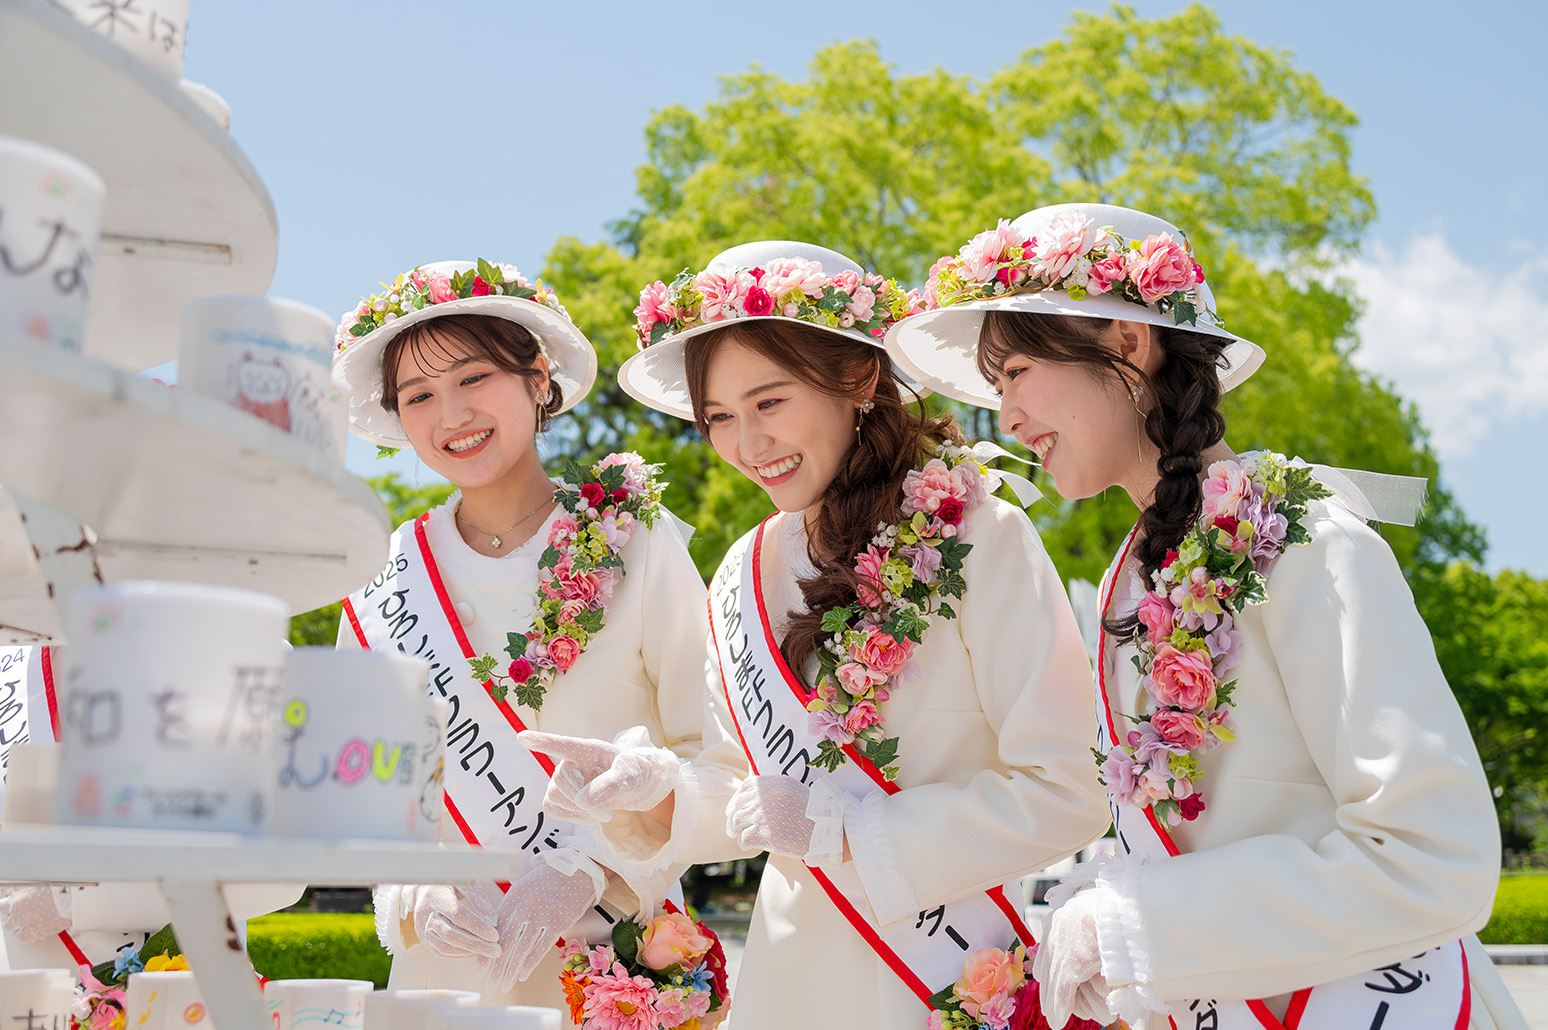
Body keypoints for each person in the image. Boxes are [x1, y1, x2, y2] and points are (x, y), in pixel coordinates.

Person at [887, 203, 1526, 1029]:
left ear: (1128, 343)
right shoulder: (1128, 581)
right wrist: (1116, 901)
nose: (1004, 417)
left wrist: (1140, 923)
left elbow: (1434, 857)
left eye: (1015, 373)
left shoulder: (1309, 544)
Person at [533, 240, 1108, 1028]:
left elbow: (1069, 789)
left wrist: (852, 831)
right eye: (719, 418)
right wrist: (656, 791)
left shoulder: (978, 533)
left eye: (770, 403)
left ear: (859, 378)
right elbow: (745, 792)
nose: (748, 445)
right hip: (789, 980)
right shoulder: (740, 570)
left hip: (942, 981)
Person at [330, 260, 747, 1008]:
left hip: (615, 969)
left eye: (473, 377)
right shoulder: (382, 578)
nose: (451, 413)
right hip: (445, 978)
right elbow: (359, 792)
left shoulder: (634, 540)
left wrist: (592, 865)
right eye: (418, 395)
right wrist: (413, 895)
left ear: (537, 378)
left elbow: (723, 758)